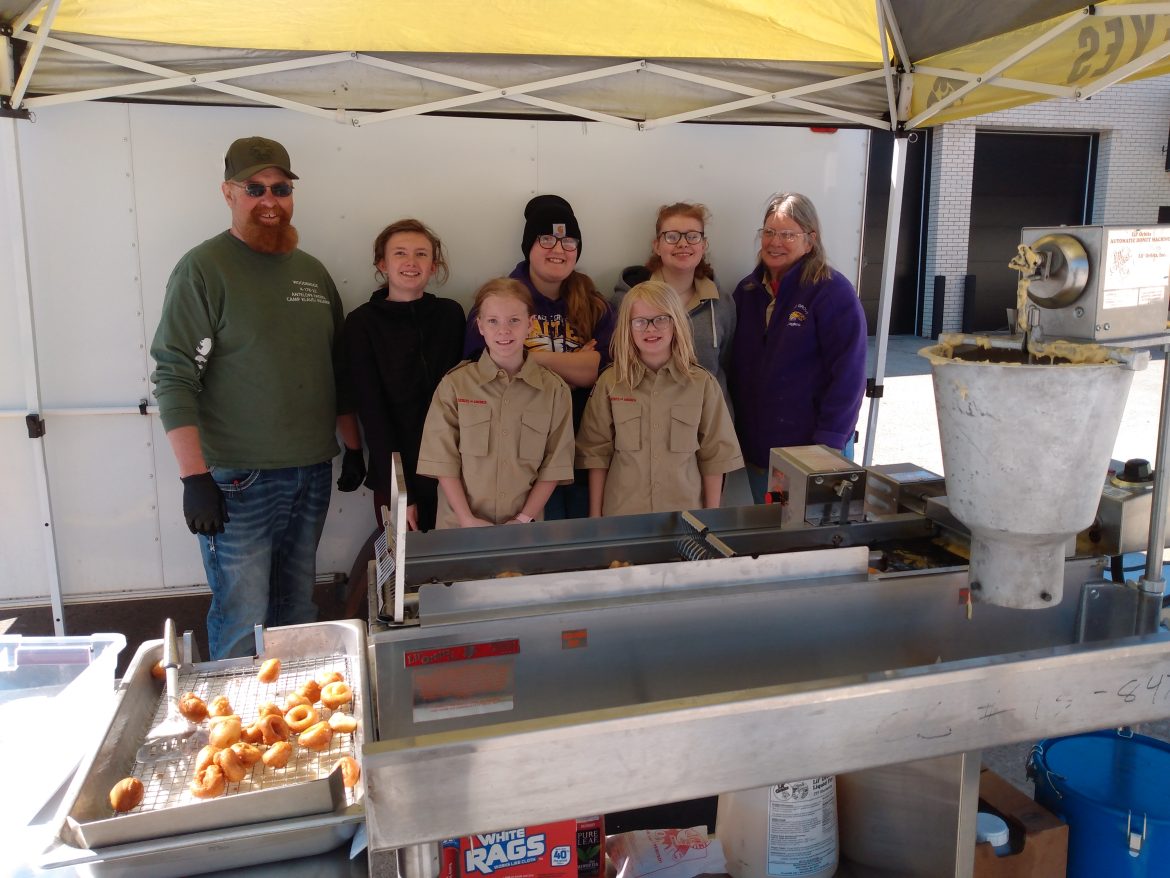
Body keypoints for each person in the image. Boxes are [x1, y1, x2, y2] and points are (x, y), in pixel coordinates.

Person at [150, 136, 364, 660]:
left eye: (281, 187)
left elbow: (334, 368)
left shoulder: (311, 272)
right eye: (255, 187)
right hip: (237, 479)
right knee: (244, 615)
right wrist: (194, 478)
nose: (270, 198)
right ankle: (233, 732)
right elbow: (175, 376)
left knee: (297, 610)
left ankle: (291, 724)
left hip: (311, 471)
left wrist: (351, 446)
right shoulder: (204, 269)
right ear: (229, 192)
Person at [464, 194, 615, 520]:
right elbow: (485, 372)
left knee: (578, 553)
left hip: (583, 452)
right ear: (528, 246)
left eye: (568, 240)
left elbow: (600, 373)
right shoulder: (499, 301)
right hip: (519, 456)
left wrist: (532, 358)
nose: (558, 249)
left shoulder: (594, 303)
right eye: (546, 238)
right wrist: (571, 364)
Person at [727, 192, 867, 504]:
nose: (775, 242)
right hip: (760, 453)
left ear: (810, 240)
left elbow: (849, 376)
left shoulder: (831, 292)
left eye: (788, 234)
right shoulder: (747, 292)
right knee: (770, 538)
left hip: (814, 451)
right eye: (769, 232)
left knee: (813, 543)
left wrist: (826, 447)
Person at [577, 281, 742, 517]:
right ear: (627, 328)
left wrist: (711, 516)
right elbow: (596, 455)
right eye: (640, 321)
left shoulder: (702, 384)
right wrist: (596, 517)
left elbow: (715, 457)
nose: (650, 329)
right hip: (623, 514)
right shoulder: (610, 383)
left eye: (661, 319)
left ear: (676, 323)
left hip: (685, 516)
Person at [419, 278, 575, 528]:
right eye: (493, 321)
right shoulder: (455, 385)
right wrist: (466, 519)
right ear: (480, 326)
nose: (504, 330)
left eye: (514, 320)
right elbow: (442, 459)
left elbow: (554, 465)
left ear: (530, 325)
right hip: (458, 527)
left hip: (523, 529)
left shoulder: (554, 391)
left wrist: (523, 520)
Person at [343, 219, 465, 533]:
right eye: (400, 253)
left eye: (421, 254)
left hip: (454, 472)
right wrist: (401, 490)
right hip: (396, 471)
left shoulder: (451, 315)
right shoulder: (362, 324)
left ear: (434, 265)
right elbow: (372, 411)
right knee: (406, 571)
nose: (411, 262)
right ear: (382, 263)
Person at [612, 202, 736, 406]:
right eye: (672, 236)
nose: (683, 244)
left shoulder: (722, 303)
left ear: (704, 245)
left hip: (709, 425)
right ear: (657, 246)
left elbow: (726, 364)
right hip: (651, 422)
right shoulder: (629, 300)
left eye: (692, 236)